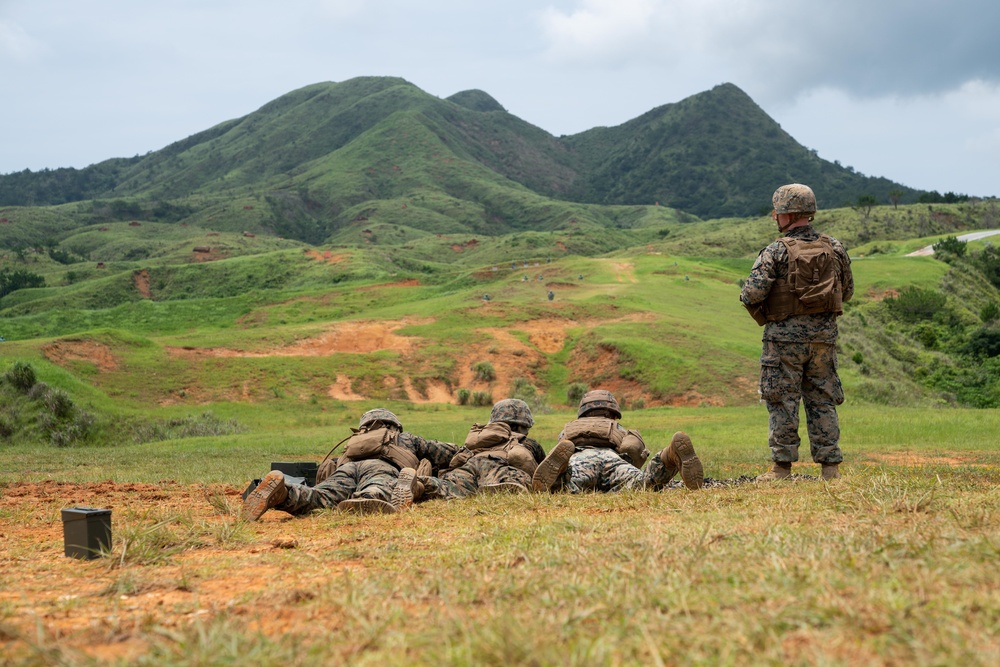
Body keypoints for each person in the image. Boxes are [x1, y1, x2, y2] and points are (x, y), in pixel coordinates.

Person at [739, 183, 854, 481]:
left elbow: (751, 294)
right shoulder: (835, 247)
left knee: (782, 401)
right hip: (823, 341)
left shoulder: (776, 251)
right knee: (822, 400)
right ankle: (830, 468)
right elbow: (848, 291)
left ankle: (781, 469)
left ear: (786, 216)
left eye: (776, 214)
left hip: (783, 342)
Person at [242, 408, 457, 520]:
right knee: (377, 489)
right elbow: (445, 453)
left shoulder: (353, 442)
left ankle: (284, 493)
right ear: (394, 425)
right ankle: (363, 499)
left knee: (320, 497)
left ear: (363, 426)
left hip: (346, 470)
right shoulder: (404, 437)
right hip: (381, 467)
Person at [531, 389, 704, 493]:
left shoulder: (569, 428)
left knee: (566, 486)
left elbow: (562, 444)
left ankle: (562, 473)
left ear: (582, 414)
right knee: (644, 484)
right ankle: (669, 455)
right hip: (613, 460)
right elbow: (633, 450)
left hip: (581, 458)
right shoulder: (617, 427)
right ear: (613, 414)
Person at [417, 398, 546, 500]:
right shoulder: (526, 441)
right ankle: (500, 486)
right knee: (515, 479)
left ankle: (421, 485)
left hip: (469, 465)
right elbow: (541, 469)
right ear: (522, 426)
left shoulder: (480, 437)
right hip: (497, 465)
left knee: (450, 485)